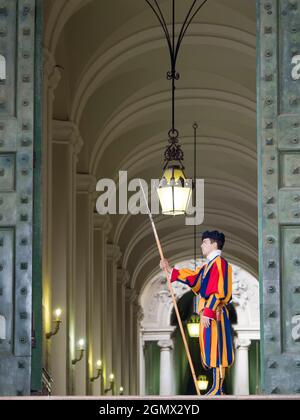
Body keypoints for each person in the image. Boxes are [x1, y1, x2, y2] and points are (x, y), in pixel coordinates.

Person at [160, 230, 234, 396]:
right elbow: (194, 278)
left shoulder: (220, 264)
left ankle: (217, 388)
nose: (202, 245)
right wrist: (170, 270)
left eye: (205, 242)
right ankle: (215, 387)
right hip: (209, 314)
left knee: (217, 350)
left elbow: (220, 291)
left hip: (215, 313)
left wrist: (208, 311)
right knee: (210, 349)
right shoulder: (208, 266)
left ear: (214, 244)